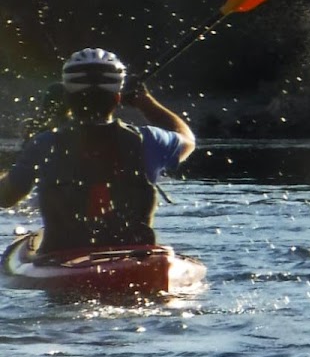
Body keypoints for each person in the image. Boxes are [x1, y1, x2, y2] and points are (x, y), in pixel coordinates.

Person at [0, 48, 196, 254]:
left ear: (68, 98)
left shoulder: (44, 143)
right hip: (136, 256)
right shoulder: (148, 140)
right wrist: (144, 101)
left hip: (60, 256)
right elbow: (188, 141)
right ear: (118, 98)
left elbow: (5, 198)